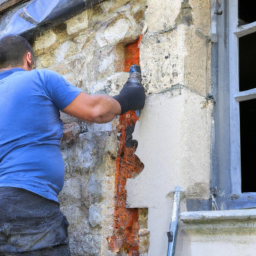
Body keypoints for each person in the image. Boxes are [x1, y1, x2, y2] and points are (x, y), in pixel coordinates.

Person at [0, 35, 145, 256]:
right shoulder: (40, 79)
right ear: (28, 58)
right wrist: (128, 98)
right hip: (28, 203)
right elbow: (95, 111)